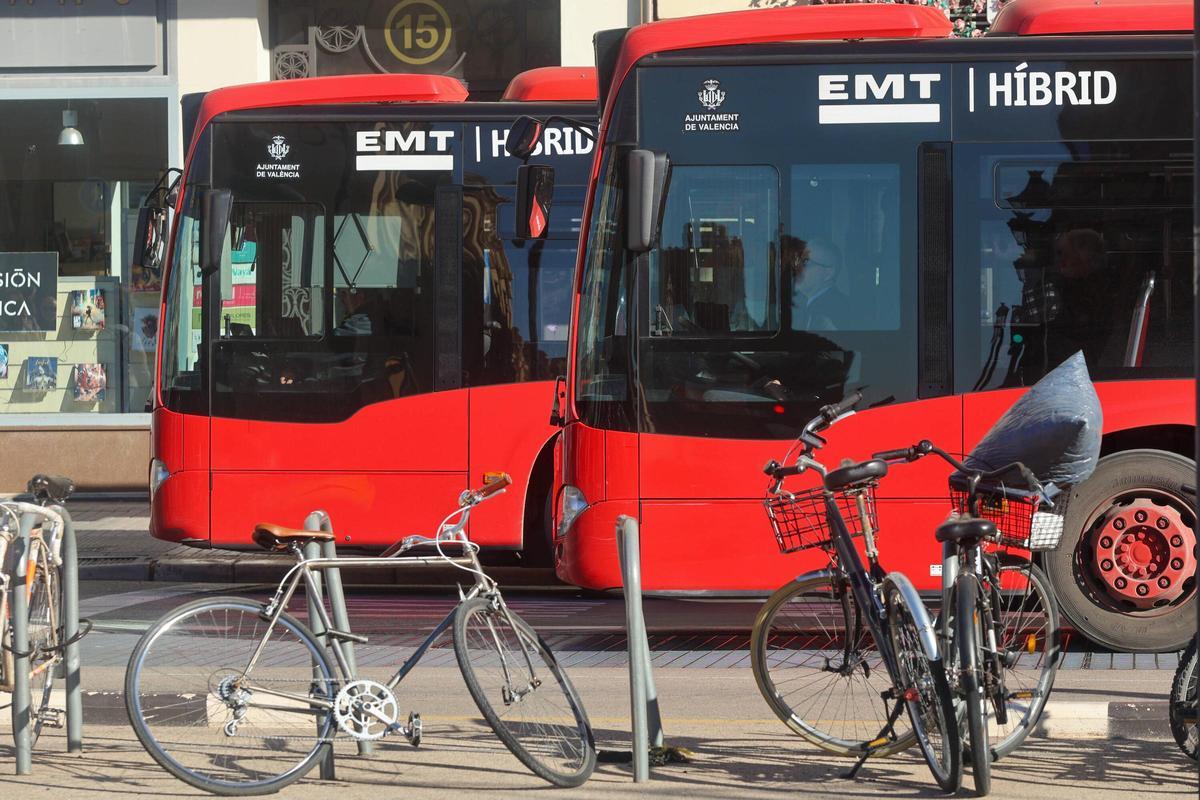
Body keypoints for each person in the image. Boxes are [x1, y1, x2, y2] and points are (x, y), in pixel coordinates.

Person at [788, 236, 851, 331]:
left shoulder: (834, 313)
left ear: (829, 273)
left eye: (805, 262)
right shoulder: (807, 307)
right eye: (797, 262)